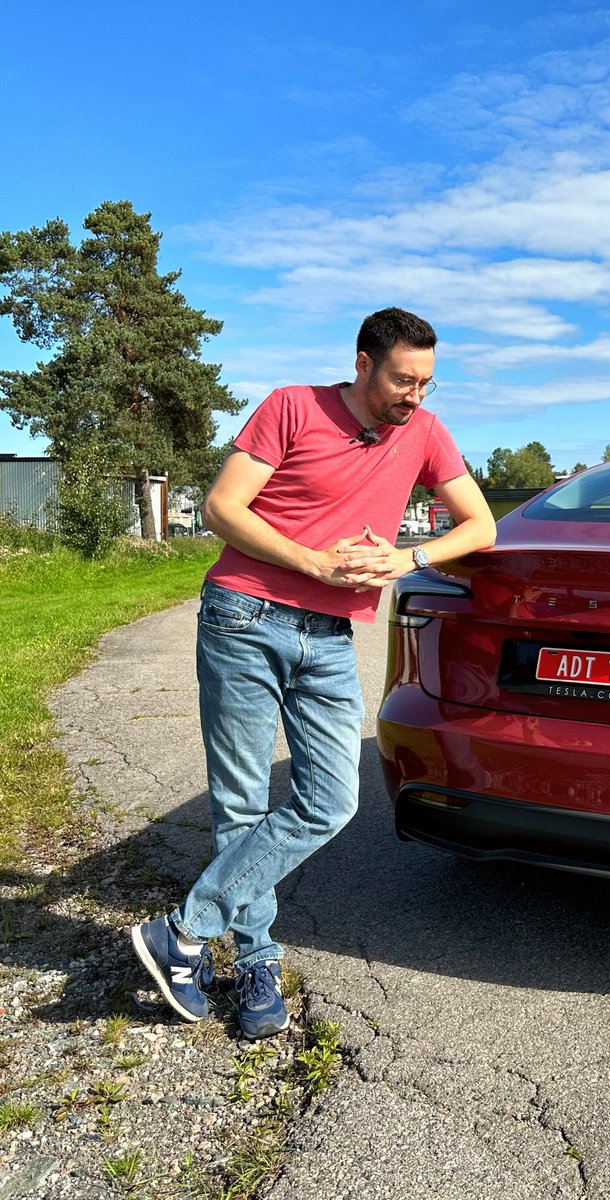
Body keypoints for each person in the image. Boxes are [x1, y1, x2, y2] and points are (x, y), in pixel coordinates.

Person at [130, 307, 496, 1038]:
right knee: (240, 802)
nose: (415, 396)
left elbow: (481, 526)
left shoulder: (425, 433)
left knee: (330, 801)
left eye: (426, 382)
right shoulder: (293, 405)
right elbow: (221, 509)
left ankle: (187, 930)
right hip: (245, 617)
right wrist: (313, 562)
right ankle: (258, 959)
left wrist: (404, 558)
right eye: (402, 379)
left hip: (330, 638)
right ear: (363, 363)